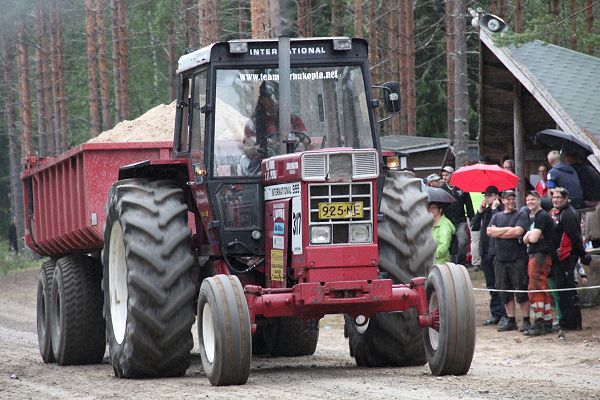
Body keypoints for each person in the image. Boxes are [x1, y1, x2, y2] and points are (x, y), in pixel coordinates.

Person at [242, 81, 310, 173]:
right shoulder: (253, 124)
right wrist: (254, 150)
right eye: (270, 97)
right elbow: (247, 149)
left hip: (294, 167)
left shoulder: (294, 120)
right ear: (262, 100)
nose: (275, 101)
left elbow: (308, 143)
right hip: (265, 169)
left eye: (277, 97)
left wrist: (305, 144)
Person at [487, 190, 530, 332]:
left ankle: (526, 320)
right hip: (500, 259)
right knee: (504, 290)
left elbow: (518, 232)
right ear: (502, 200)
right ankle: (511, 320)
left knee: (521, 289)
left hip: (517, 258)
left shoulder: (521, 215)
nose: (511, 201)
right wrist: (508, 231)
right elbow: (489, 232)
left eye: (513, 199)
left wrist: (499, 232)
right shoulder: (497, 216)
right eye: (508, 199)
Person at [549, 187, 592, 330]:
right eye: (553, 197)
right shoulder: (559, 213)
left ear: (566, 199)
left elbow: (575, 238)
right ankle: (566, 320)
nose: (555, 200)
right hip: (560, 259)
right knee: (563, 291)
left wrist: (582, 255)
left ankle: (571, 323)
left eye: (558, 198)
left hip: (566, 258)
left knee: (568, 291)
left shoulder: (568, 214)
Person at [471, 185, 506, 325]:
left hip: (496, 252)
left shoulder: (501, 211)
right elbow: (474, 226)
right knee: (491, 284)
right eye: (485, 196)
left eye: (488, 196)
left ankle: (504, 314)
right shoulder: (485, 211)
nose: (486, 198)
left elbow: (496, 224)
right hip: (485, 251)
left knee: (500, 284)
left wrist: (495, 209)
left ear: (496, 196)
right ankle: (496, 313)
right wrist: (479, 212)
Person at [522, 191, 555, 336]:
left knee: (535, 289)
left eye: (533, 199)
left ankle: (539, 322)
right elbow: (525, 239)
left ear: (539, 200)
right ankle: (547, 321)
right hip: (536, 255)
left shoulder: (542, 216)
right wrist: (529, 236)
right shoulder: (534, 217)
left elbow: (532, 239)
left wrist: (529, 236)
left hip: (540, 257)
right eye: (528, 199)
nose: (530, 202)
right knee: (541, 288)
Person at [440, 166, 474, 266]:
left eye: (447, 175)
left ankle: (461, 264)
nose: (445, 177)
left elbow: (469, 204)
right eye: (443, 175)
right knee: (448, 243)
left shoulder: (462, 188)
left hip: (460, 221)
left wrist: (472, 218)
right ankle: (451, 263)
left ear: (452, 174)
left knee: (462, 241)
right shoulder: (441, 190)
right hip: (446, 221)